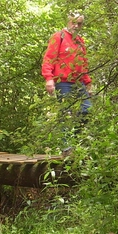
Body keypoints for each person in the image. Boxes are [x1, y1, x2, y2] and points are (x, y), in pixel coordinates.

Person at [41, 12, 93, 155]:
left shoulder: (80, 41)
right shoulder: (59, 36)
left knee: (87, 110)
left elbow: (83, 63)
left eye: (79, 23)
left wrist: (88, 82)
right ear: (68, 21)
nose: (76, 26)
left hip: (78, 82)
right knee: (66, 113)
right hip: (62, 81)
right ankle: (66, 148)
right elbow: (49, 58)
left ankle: (74, 141)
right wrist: (49, 78)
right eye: (73, 22)